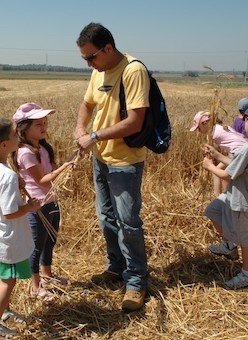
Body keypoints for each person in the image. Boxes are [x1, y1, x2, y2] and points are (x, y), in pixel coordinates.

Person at [73, 22, 150, 312]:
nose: (89, 64)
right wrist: (81, 128)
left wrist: (93, 136)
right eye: (85, 59)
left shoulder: (133, 71)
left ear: (108, 48)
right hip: (101, 158)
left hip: (125, 161)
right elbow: (87, 104)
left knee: (128, 222)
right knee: (106, 217)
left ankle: (136, 281)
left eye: (91, 57)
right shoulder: (98, 72)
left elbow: (135, 121)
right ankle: (116, 267)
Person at [0, 118, 41, 339]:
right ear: (4, 145)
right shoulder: (6, 176)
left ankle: (4, 313)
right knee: (8, 281)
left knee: (6, 277)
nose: (18, 138)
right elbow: (9, 212)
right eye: (14, 136)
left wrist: (18, 186)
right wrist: (30, 206)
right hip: (9, 237)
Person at [202, 101, 248, 289]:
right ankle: (229, 246)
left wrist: (209, 166)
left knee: (245, 239)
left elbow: (228, 174)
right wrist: (217, 155)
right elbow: (237, 166)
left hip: (241, 200)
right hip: (236, 195)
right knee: (212, 210)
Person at [11, 102, 74, 304]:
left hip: (51, 201)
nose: (44, 126)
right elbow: (42, 180)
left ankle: (47, 275)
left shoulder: (44, 147)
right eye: (38, 124)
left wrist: (63, 168)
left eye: (45, 122)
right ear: (24, 128)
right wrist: (65, 166)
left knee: (51, 240)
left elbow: (52, 172)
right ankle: (35, 286)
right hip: (37, 206)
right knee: (36, 246)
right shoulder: (26, 153)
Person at [190, 110, 248, 195]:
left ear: (205, 123)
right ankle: (223, 195)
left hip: (237, 152)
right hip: (240, 150)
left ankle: (221, 197)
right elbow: (241, 136)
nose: (198, 131)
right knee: (219, 171)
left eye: (198, 128)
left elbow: (212, 149)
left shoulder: (213, 133)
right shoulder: (220, 127)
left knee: (220, 173)